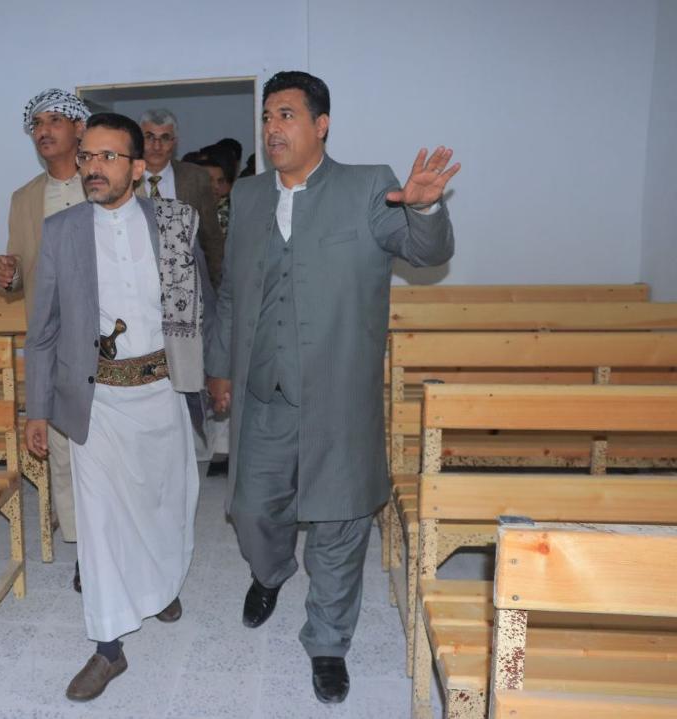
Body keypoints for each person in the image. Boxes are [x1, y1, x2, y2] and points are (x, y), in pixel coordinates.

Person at [206, 70, 459, 706]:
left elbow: (425, 252)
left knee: (340, 524)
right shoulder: (249, 194)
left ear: (321, 125)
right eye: (267, 116)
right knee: (252, 509)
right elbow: (232, 292)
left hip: (338, 396)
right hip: (265, 394)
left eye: (287, 115)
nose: (272, 128)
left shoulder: (368, 186)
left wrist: (425, 207)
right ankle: (271, 572)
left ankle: (327, 643)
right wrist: (220, 367)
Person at [24, 112, 206, 702]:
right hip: (96, 400)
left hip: (164, 391)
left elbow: (204, 302)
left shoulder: (174, 223)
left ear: (137, 165)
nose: (93, 168)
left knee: (165, 503)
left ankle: (161, 585)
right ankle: (108, 647)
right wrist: (36, 409)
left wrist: (217, 376)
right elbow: (43, 330)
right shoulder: (62, 230)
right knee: (100, 521)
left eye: (108, 157)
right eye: (87, 156)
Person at [0, 88, 89, 593]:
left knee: (114, 456)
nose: (43, 131)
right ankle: (86, 551)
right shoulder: (25, 198)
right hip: (53, 344)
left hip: (109, 345)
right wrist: (4, 273)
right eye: (36, 124)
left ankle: (127, 542)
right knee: (64, 453)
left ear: (79, 128)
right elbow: (19, 276)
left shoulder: (105, 180)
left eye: (54, 120)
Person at [137, 108, 226, 289]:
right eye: (149, 137)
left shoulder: (195, 178)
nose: (156, 146)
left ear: (175, 142)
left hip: (187, 285)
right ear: (139, 140)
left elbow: (211, 239)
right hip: (138, 284)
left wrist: (217, 289)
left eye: (164, 138)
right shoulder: (124, 178)